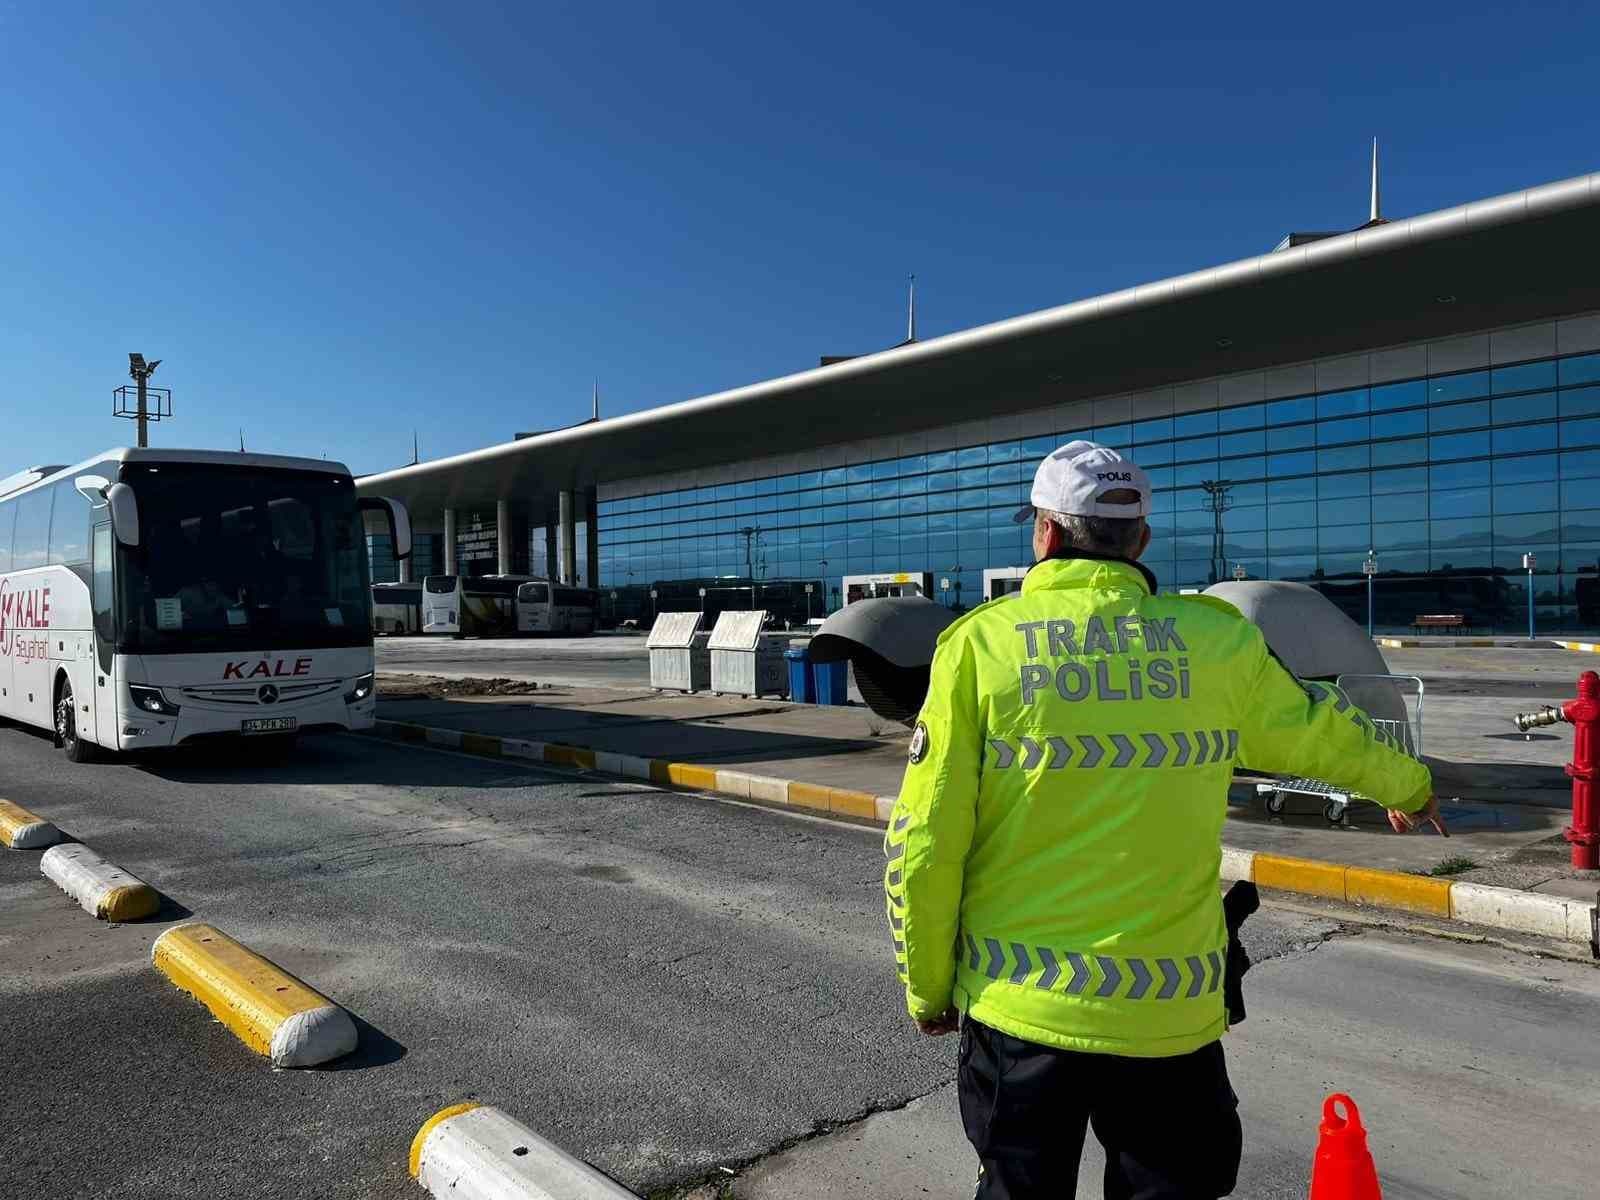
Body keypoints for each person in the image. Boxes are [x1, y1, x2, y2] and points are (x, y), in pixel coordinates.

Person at [884, 440, 1445, 1199]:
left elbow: (925, 839)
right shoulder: (1215, 640)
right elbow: (1319, 731)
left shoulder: (981, 647)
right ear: (1140, 540)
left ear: (1044, 535)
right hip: (1170, 1013)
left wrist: (927, 986)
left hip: (1021, 1011)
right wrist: (1406, 785)